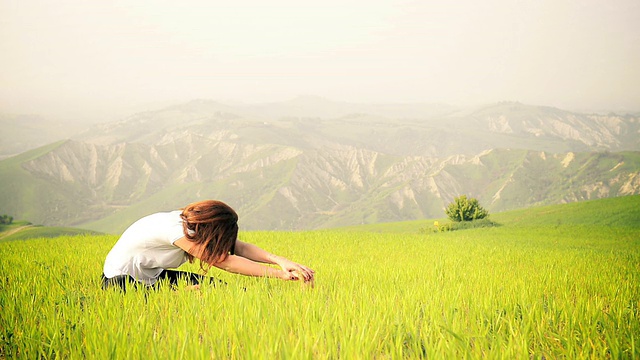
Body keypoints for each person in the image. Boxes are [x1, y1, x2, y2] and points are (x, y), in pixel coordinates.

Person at [102, 199, 314, 291]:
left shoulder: (193, 224)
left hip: (152, 275)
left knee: (221, 290)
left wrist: (281, 261)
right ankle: (177, 294)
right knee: (194, 293)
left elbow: (239, 247)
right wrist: (281, 275)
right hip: (120, 283)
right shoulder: (176, 231)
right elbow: (224, 262)